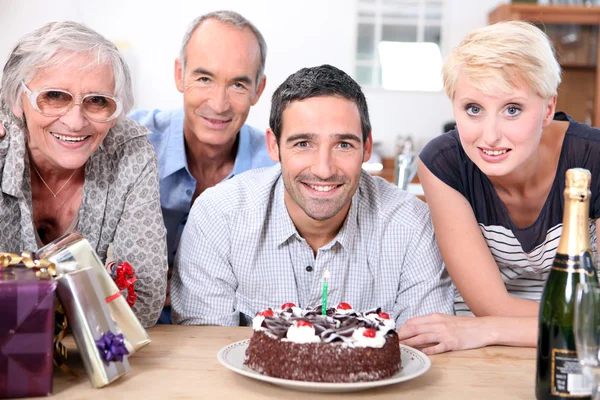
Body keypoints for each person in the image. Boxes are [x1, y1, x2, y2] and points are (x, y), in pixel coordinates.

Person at [171, 64, 454, 326]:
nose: (323, 169)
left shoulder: (411, 225)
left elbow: (425, 352)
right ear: (274, 146)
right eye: (303, 143)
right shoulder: (218, 217)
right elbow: (206, 347)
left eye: (343, 144)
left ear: (367, 148)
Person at [397, 21, 600, 354]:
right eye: (473, 109)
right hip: (479, 345)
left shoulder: (594, 159)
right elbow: (490, 304)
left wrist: (488, 328)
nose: (489, 136)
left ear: (547, 109)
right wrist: (489, 325)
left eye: (512, 109)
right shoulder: (443, 163)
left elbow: (493, 318)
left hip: (574, 347)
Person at [0, 21, 168, 328]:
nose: (76, 121)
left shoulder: (129, 151)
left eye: (98, 101)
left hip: (89, 362)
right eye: (54, 96)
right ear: (15, 99)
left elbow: (143, 300)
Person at [129, 11, 275, 323]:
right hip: (129, 335)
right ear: (179, 74)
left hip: (225, 339)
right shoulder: (128, 143)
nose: (219, 104)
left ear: (258, 90)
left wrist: (198, 290)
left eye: (238, 84)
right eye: (204, 78)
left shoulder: (276, 170)